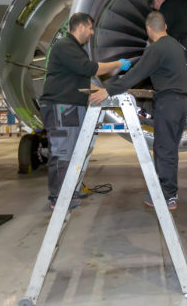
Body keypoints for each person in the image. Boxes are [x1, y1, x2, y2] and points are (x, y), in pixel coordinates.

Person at [89, 11, 187, 210]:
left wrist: (107, 90)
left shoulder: (156, 48)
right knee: (170, 149)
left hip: (168, 102)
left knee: (163, 149)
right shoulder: (176, 46)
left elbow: (135, 75)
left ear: (149, 29)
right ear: (165, 27)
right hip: (182, 102)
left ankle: (167, 196)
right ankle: (171, 191)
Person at [40, 12, 131, 210]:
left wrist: (105, 91)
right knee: (62, 151)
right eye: (90, 28)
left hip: (72, 106)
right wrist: (118, 64)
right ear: (80, 27)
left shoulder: (75, 49)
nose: (91, 33)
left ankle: (69, 191)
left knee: (74, 151)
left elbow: (82, 78)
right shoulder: (65, 46)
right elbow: (91, 69)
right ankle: (58, 197)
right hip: (61, 106)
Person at [150, 0, 187, 114]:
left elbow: (161, 32)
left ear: (157, 1)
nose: (157, 10)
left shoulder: (166, 6)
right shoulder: (182, 2)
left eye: (156, 8)